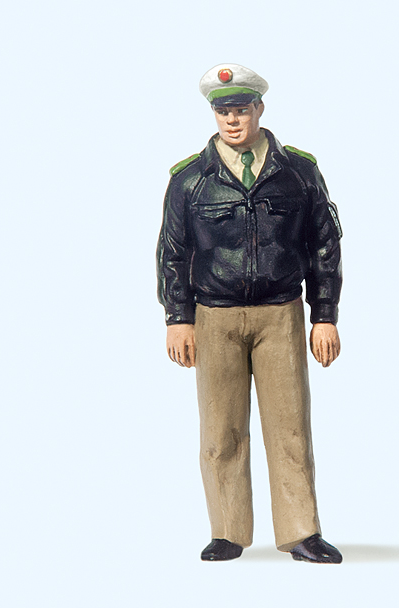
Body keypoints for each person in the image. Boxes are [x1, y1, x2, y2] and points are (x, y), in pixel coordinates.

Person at [157, 63, 343, 564]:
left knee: (290, 428)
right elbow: (172, 253)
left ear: (259, 108)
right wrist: (178, 318)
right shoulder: (190, 180)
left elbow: (325, 245)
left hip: (280, 313)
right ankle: (227, 530)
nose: (232, 120)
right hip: (214, 315)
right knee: (221, 430)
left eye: (241, 109)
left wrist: (324, 314)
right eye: (223, 111)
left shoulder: (298, 172)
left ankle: (301, 531)